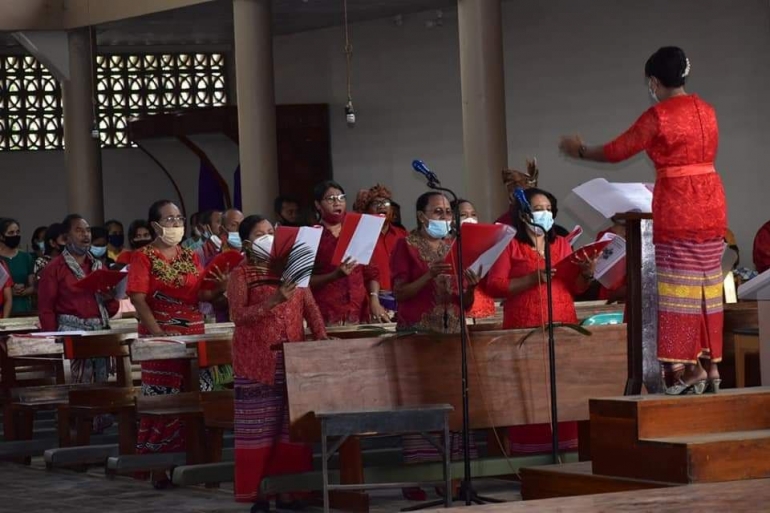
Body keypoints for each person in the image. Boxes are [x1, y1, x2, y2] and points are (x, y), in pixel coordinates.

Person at [558, 46, 727, 395]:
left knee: (678, 291)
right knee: (707, 288)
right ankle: (711, 367)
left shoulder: (659, 117)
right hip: (712, 204)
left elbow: (617, 151)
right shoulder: (707, 111)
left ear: (653, 81)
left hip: (679, 206)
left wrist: (579, 149)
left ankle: (689, 369)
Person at [229, 214, 327, 511]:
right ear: (247, 243)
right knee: (260, 432)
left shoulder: (293, 267)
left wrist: (321, 336)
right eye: (261, 234)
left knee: (292, 429)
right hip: (256, 362)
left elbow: (309, 305)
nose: (269, 237)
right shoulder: (241, 274)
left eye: (272, 231)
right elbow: (238, 316)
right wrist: (273, 300)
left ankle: (290, 492)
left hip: (293, 358)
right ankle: (258, 494)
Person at [127, 200, 228, 488]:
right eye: (169, 219)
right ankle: (159, 468)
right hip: (160, 335)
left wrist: (221, 286)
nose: (175, 224)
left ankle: (199, 463)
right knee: (164, 399)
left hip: (194, 333)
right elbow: (137, 298)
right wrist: (159, 333)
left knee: (199, 395)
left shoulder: (190, 255)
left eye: (179, 218)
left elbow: (201, 296)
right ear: (154, 225)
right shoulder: (143, 257)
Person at [487, 187, 595, 455]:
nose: (544, 214)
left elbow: (575, 287)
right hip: (525, 327)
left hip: (563, 324)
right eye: (538, 208)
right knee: (530, 392)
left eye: (548, 209)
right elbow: (495, 285)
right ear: (523, 214)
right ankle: (529, 456)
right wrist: (532, 278)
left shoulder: (560, 243)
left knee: (565, 390)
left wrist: (588, 274)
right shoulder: (510, 243)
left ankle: (568, 454)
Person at [390, 191, 481, 501]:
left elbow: (464, 301)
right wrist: (429, 275)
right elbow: (400, 293)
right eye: (438, 211)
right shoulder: (406, 245)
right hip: (418, 335)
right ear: (421, 215)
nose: (445, 217)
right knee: (422, 403)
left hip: (452, 333)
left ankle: (453, 475)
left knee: (455, 402)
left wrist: (473, 287)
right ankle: (419, 473)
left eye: (447, 212)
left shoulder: (455, 246)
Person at [37, 214, 121, 430]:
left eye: (88, 231)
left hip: (99, 331)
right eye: (79, 230)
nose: (86, 235)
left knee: (101, 386)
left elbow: (110, 310)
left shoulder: (99, 266)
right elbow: (46, 308)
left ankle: (100, 426)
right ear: (66, 237)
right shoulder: (54, 268)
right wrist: (52, 341)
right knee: (77, 387)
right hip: (71, 334)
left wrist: (110, 297)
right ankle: (76, 429)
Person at [310, 180, 388, 325]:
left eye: (341, 198)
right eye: (330, 199)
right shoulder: (311, 235)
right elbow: (304, 281)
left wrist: (374, 299)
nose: (337, 202)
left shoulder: (358, 230)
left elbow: (371, 273)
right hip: (326, 313)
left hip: (359, 310)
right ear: (317, 205)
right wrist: (333, 276)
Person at [353, 184, 408, 296]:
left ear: (392, 210)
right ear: (366, 210)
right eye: (376, 203)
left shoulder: (403, 235)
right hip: (371, 299)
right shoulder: (359, 236)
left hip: (401, 297)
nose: (381, 206)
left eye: (386, 202)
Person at [452, 199, 496, 320]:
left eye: (473, 215)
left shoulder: (484, 246)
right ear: (451, 221)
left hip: (486, 310)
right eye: (463, 215)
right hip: (459, 312)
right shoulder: (446, 248)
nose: (470, 219)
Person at [0, 218, 36, 316]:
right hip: (2, 310)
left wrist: (23, 291)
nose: (15, 235)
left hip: (23, 309)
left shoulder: (26, 257)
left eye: (17, 232)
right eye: (11, 233)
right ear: (1, 236)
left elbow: (32, 286)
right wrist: (8, 292)